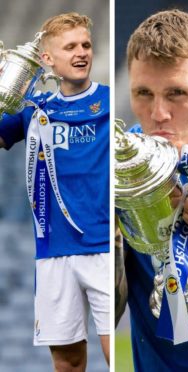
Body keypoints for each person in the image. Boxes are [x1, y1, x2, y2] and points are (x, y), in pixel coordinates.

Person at [114, 9, 188, 371]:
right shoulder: (117, 168)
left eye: (177, 93)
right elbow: (105, 312)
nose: (158, 113)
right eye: (143, 93)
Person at [0, 13, 109, 371]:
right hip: (53, 252)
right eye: (71, 46)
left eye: (86, 45)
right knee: (66, 364)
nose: (81, 53)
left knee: (117, 359)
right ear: (47, 59)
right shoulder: (34, 110)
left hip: (104, 249)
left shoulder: (109, 105)